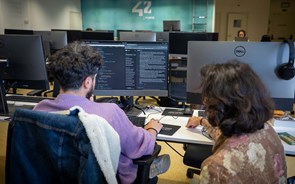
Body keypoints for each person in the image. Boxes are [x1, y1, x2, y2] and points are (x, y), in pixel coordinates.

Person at [33, 41, 170, 184]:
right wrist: (152, 129)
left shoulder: (40, 109)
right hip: (105, 178)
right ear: (87, 82)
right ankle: (150, 169)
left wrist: (88, 104)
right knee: (132, 152)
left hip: (55, 177)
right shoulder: (109, 113)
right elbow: (138, 146)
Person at [186, 60, 287, 183]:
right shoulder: (269, 131)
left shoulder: (216, 168)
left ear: (218, 105)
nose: (204, 102)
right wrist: (202, 121)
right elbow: (222, 136)